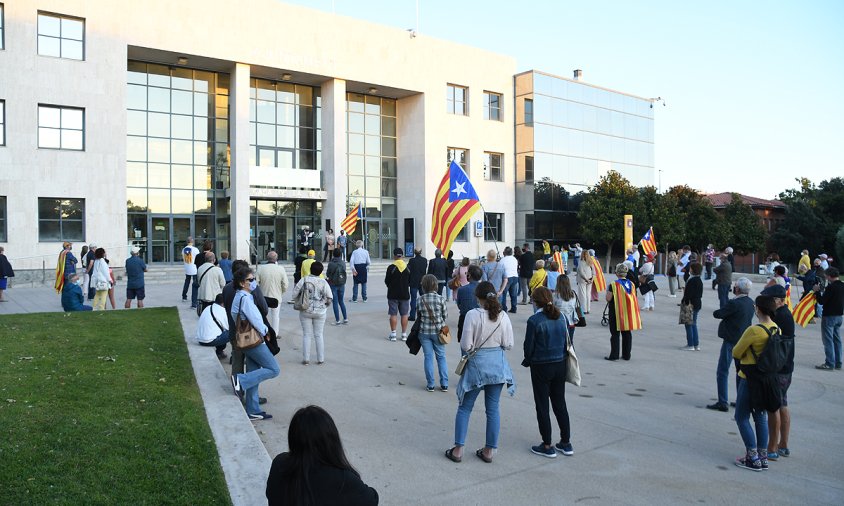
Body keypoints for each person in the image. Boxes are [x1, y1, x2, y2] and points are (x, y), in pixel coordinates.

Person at [445, 282, 515, 464]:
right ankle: (489, 451)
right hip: (497, 366)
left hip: (477, 365)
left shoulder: (472, 315)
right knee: (492, 409)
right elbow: (509, 344)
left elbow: (466, 345)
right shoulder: (503, 316)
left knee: (465, 407)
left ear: (478, 297)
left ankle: (458, 449)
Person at [266, 405, 379, 506]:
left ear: (293, 438)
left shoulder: (279, 463)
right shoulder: (342, 479)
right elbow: (372, 499)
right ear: (332, 441)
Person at [523, 286, 573, 458]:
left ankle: (547, 444)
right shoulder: (561, 318)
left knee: (542, 405)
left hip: (541, 365)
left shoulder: (534, 321)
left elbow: (528, 347)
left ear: (536, 302)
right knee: (560, 403)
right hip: (560, 363)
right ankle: (565, 442)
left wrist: (528, 359)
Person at [731, 295, 778, 471]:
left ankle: (752, 457)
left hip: (750, 377)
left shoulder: (754, 330)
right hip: (767, 378)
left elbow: (736, 351)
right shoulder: (775, 328)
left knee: (741, 417)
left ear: (757, 309)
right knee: (760, 416)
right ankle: (762, 455)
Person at [230, 267, 279, 420]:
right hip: (254, 340)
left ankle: (253, 410)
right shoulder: (245, 298)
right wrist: (266, 332)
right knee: (273, 369)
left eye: (254, 279)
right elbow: (256, 319)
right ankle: (240, 380)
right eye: (250, 280)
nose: (253, 282)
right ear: (241, 283)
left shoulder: (240, 297)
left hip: (246, 340)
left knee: (254, 371)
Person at [707, 277, 754, 412]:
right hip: (743, 340)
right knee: (740, 371)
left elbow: (719, 314)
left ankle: (723, 401)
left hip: (731, 339)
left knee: (723, 370)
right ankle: (741, 400)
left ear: (738, 289)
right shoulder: (750, 302)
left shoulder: (735, 303)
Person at [759, 284, 794, 461]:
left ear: (780, 300)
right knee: (782, 404)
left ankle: (772, 447)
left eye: (771, 299)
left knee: (774, 408)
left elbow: (772, 342)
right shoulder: (784, 315)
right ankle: (783, 445)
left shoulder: (780, 317)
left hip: (778, 369)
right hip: (785, 367)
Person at [292, 261, 332, 365]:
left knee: (306, 335)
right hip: (320, 311)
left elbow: (294, 294)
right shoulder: (324, 282)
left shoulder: (304, 280)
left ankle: (306, 359)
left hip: (305, 310)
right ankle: (320, 358)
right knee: (319, 335)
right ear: (321, 271)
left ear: (310, 269)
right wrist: (324, 305)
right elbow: (329, 297)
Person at [418, 274, 449, 392]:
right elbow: (445, 316)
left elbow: (418, 316)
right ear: (436, 285)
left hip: (424, 332)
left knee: (428, 357)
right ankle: (444, 383)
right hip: (439, 332)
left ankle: (430, 384)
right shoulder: (441, 299)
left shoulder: (420, 299)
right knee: (441, 357)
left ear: (423, 286)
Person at [605, 263, 641, 361]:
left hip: (616, 311)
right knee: (627, 333)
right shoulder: (632, 284)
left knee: (615, 334)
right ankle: (626, 355)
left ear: (617, 273)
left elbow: (608, 298)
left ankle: (614, 355)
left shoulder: (613, 284)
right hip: (628, 312)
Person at [814, 266, 843, 370]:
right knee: (837, 339)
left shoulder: (831, 287)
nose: (825, 278)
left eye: (826, 276)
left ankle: (829, 363)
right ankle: (838, 362)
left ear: (830, 276)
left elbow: (822, 301)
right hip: (839, 316)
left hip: (829, 316)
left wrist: (816, 291)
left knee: (828, 340)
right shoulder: (842, 285)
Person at [257, 251, 289, 335]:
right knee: (275, 316)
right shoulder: (280, 269)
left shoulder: (260, 268)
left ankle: (264, 332)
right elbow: (285, 284)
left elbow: (255, 283)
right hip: (276, 296)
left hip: (263, 296)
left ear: (267, 258)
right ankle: (275, 333)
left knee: (264, 316)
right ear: (276, 259)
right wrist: (281, 292)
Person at [385, 247, 410, 342]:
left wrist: (391, 286)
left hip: (393, 294)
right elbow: (410, 281)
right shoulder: (407, 267)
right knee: (404, 314)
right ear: (402, 256)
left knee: (393, 314)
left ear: (394, 256)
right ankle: (404, 334)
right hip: (404, 294)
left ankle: (393, 334)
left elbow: (387, 281)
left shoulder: (391, 267)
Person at [196, 294, 230, 359]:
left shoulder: (208, 307)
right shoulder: (222, 311)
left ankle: (220, 351)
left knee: (221, 330)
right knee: (233, 333)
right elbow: (229, 327)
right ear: (223, 303)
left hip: (200, 339)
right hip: (209, 341)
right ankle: (233, 356)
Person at [456, 265, 482, 344]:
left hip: (465, 318)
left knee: (465, 345)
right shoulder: (484, 288)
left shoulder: (461, 289)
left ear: (469, 275)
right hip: (480, 318)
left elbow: (459, 305)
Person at [681, 263, 704, 351]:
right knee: (693, 324)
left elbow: (688, 294)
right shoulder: (699, 280)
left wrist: (684, 302)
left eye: (691, 268)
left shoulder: (692, 280)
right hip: (697, 303)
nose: (689, 269)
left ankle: (690, 344)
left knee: (689, 324)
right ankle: (696, 344)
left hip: (690, 304)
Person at [553, 274, 579, 342]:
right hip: (571, 322)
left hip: (559, 322)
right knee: (570, 342)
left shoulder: (556, 295)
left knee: (559, 343)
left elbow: (552, 308)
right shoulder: (573, 294)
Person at [326, 249, 349, 325]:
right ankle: (345, 318)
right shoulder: (343, 263)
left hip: (333, 284)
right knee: (341, 301)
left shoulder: (331, 263)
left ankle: (337, 320)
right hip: (342, 284)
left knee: (335, 302)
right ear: (340, 254)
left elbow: (327, 274)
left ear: (333, 254)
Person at [407, 247, 429, 321]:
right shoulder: (424, 260)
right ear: (421, 252)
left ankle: (412, 315)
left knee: (413, 299)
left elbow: (408, 270)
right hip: (422, 281)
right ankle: (425, 314)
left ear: (414, 252)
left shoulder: (411, 260)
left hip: (413, 281)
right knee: (424, 299)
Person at [499, 246, 519, 313]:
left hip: (507, 277)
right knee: (513, 294)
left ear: (504, 252)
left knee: (504, 293)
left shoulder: (503, 260)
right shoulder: (514, 259)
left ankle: (504, 308)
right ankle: (514, 308)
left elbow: (500, 269)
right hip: (515, 276)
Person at [181, 237, 200, 308]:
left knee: (187, 282)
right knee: (195, 284)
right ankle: (195, 299)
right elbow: (198, 258)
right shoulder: (195, 249)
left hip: (187, 267)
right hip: (194, 268)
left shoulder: (184, 249)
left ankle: (184, 296)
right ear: (192, 242)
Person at [576, 250, 594, 315]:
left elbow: (581, 272)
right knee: (588, 294)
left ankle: (584, 309)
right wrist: (592, 279)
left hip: (582, 280)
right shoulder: (591, 261)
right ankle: (588, 309)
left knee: (583, 295)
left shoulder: (580, 262)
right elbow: (594, 272)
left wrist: (586, 279)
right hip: (590, 279)